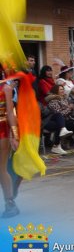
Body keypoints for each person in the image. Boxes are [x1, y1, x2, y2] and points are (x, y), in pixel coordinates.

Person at [1, 72, 19, 217]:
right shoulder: (6, 88)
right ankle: (10, 203)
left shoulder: (5, 89)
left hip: (2, 132)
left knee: (1, 169)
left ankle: (10, 203)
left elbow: (10, 113)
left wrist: (15, 135)